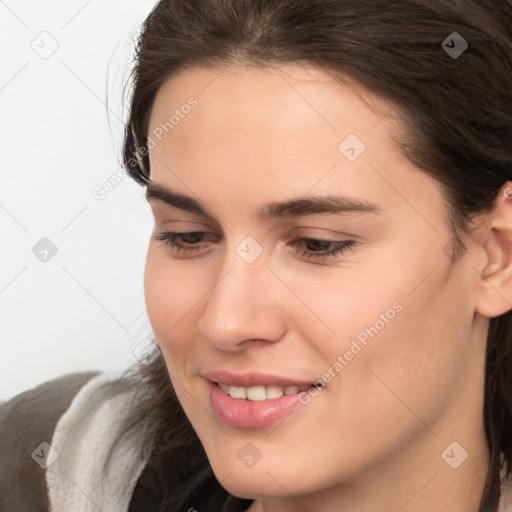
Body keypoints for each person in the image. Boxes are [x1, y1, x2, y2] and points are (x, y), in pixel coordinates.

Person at [2, 0, 512, 510]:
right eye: (187, 236)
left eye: (318, 244)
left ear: (497, 255)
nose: (226, 322)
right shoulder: (35, 467)